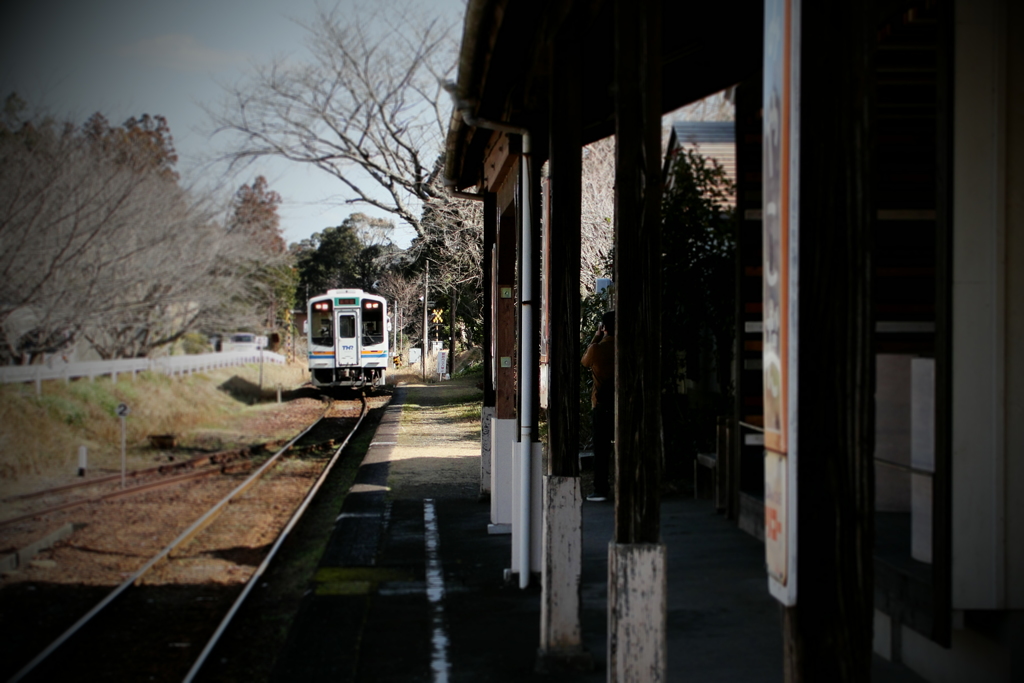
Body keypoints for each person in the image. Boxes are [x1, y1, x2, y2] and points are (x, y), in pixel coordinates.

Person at [581, 310, 615, 502]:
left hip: (601, 403)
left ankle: (601, 488)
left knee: (601, 449)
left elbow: (584, 362)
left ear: (604, 328)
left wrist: (596, 336)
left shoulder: (597, 349)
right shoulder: (626, 347)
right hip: (622, 403)